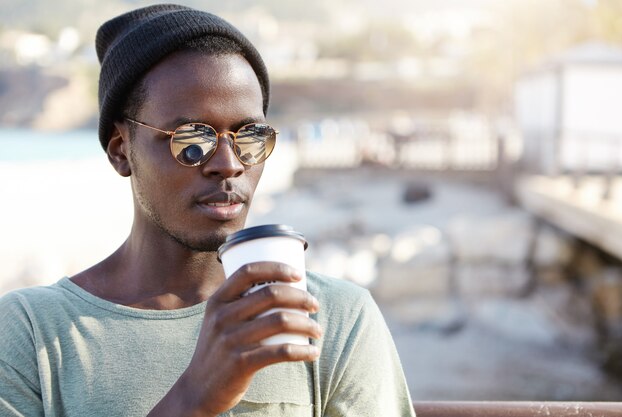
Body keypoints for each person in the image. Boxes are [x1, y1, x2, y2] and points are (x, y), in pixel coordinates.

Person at [0, 4, 416, 417]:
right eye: (192, 140)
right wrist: (194, 399)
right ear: (120, 150)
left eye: (249, 137)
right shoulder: (32, 332)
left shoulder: (331, 319)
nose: (229, 163)